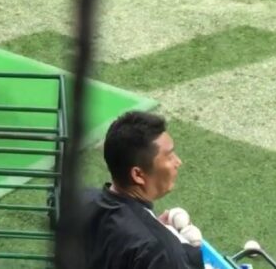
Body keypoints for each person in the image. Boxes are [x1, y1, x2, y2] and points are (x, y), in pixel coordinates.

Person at [83, 111, 201, 269]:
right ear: (138, 175)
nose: (178, 162)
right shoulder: (160, 252)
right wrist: (189, 251)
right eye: (169, 156)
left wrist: (150, 225)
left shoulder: (81, 200)